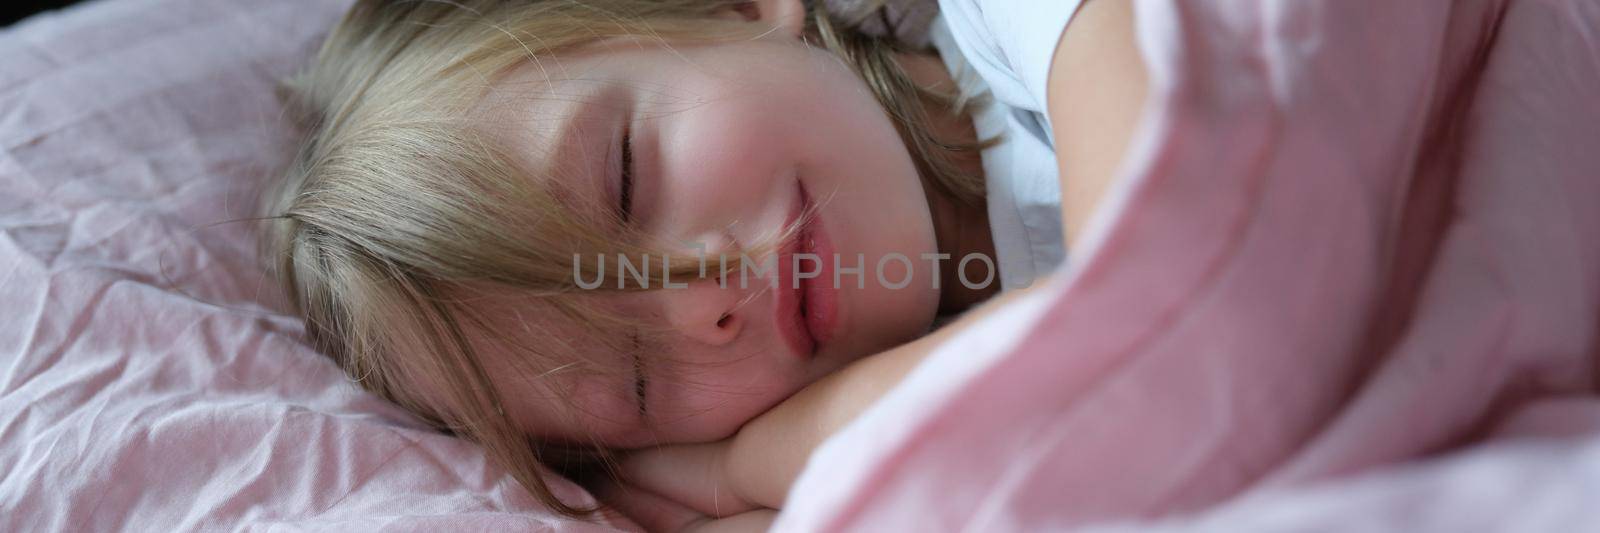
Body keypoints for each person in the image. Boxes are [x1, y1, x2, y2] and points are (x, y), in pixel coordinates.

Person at [263, 0, 1145, 530]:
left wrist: (750, 468)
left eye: (626, 182)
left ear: (737, 8)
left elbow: (1145, 302)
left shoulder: (1045, 21)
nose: (699, 304)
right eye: (637, 379)